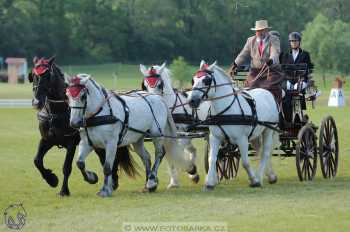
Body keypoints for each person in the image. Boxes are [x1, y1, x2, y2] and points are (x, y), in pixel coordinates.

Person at [229, 19, 283, 103]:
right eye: (258, 30)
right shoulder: (250, 40)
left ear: (266, 30)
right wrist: (235, 64)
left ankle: (277, 107)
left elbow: (275, 51)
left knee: (270, 88)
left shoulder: (274, 39)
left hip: (271, 71)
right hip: (255, 72)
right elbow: (243, 54)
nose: (259, 32)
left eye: (262, 30)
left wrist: (271, 60)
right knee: (249, 87)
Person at [280, 32, 314, 123]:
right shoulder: (285, 55)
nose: (293, 43)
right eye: (291, 41)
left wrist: (307, 79)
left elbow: (309, 69)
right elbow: (282, 69)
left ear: (299, 42)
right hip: (289, 80)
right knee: (285, 92)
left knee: (296, 91)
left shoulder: (305, 54)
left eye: (295, 41)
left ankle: (298, 116)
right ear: (289, 42)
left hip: (301, 80)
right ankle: (287, 117)